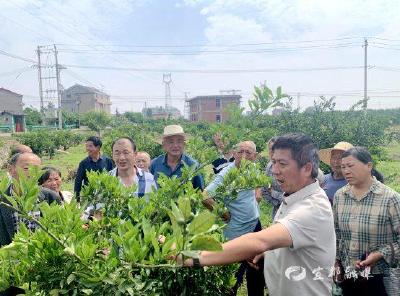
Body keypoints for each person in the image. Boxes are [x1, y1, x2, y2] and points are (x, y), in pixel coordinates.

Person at [180, 133, 336, 296]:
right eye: (273, 162)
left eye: (282, 164)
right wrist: (268, 251)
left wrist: (190, 257)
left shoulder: (312, 208)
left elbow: (258, 241)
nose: (274, 171)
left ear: (307, 168)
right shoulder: (293, 196)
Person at [333, 147, 400, 296]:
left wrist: (380, 253)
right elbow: (336, 233)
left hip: (380, 278)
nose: (346, 171)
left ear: (369, 166)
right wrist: (337, 263)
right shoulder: (340, 196)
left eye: (350, 166)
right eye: (343, 167)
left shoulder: (390, 199)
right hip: (348, 275)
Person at [203, 141, 265, 295]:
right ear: (234, 154)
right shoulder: (226, 174)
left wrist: (258, 191)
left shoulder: (252, 168)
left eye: (248, 153)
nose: (243, 156)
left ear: (255, 157)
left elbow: (257, 182)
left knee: (256, 272)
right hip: (236, 233)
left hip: (254, 226)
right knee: (233, 278)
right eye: (240, 152)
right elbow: (204, 196)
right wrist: (222, 212)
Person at [0, 153, 60, 247]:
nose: (31, 173)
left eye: (36, 169)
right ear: (10, 169)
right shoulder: (2, 199)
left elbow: (58, 230)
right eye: (26, 168)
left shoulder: (50, 197)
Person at [150, 125, 204, 190]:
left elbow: (200, 192)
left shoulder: (193, 165)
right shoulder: (155, 163)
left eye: (179, 141)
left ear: (184, 144)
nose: (175, 145)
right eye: (171, 142)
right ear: (164, 145)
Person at [74, 136, 114, 201]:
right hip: (89, 197)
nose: (87, 148)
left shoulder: (108, 161)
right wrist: (77, 199)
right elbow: (78, 181)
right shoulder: (83, 163)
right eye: (86, 146)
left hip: (105, 196)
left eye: (90, 146)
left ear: (98, 147)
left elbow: (113, 178)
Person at [262, 137, 283, 219]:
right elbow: (265, 189)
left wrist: (274, 193)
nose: (273, 151)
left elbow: (291, 195)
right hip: (277, 210)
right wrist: (276, 203)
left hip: (291, 210)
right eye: (271, 149)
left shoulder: (288, 166)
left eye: (276, 148)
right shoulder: (269, 166)